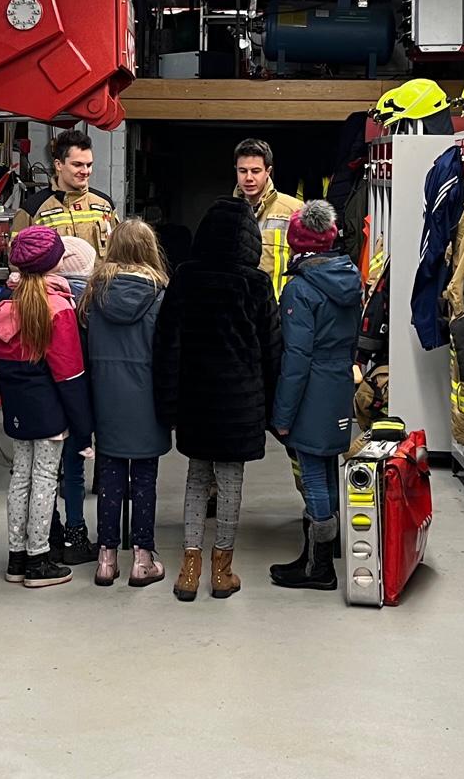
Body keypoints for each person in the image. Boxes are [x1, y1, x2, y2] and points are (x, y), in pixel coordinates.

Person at [154, 197, 281, 601]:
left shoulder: (186, 277)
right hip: (239, 402)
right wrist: (273, 406)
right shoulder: (257, 283)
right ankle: (221, 571)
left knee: (195, 480)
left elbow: (167, 344)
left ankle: (188, 570)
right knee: (230, 484)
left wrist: (167, 404)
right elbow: (272, 349)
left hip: (196, 397)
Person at [0, 227, 94, 589]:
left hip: (16, 410)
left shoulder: (4, 309)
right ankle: (38, 560)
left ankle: (16, 558)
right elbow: (70, 375)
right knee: (46, 480)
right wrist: (83, 426)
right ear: (53, 265)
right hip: (50, 412)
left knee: (20, 477)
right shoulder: (58, 309)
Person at [266, 200, 362, 592]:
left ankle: (319, 567)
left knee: (312, 474)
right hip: (339, 383)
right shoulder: (350, 277)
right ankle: (318, 555)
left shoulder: (300, 290)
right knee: (327, 469)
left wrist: (282, 414)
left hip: (311, 391)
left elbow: (296, 358)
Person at [81, 219, 170, 587]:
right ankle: (142, 558)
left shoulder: (94, 293)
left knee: (111, 476)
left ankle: (106, 558)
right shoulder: (161, 295)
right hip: (147, 396)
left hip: (106, 395)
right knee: (144, 478)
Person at [49, 233, 98, 562]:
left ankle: (47, 534)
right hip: (79, 400)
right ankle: (76, 533)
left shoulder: (41, 299)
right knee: (75, 468)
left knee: (45, 471)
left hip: (45, 403)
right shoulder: (91, 308)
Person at [14, 128, 117, 251]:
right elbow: (16, 258)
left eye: (89, 165)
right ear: (58, 165)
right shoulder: (32, 209)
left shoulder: (105, 205)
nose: (85, 171)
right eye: (77, 165)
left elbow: (119, 254)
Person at [233, 137, 304, 299]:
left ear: (268, 171)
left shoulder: (293, 210)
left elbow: (306, 265)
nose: (249, 178)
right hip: (238, 310)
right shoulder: (226, 212)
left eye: (256, 171)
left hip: (280, 310)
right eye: (242, 171)